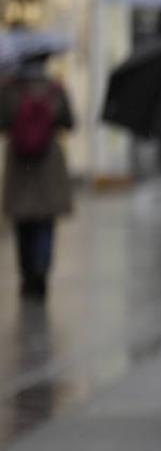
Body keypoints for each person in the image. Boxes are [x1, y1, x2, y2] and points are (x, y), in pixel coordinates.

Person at [1, 53, 75, 301]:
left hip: (20, 165)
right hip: (48, 163)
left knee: (23, 225)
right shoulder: (55, 89)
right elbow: (70, 122)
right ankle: (42, 271)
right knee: (45, 222)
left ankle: (27, 277)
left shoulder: (10, 91)